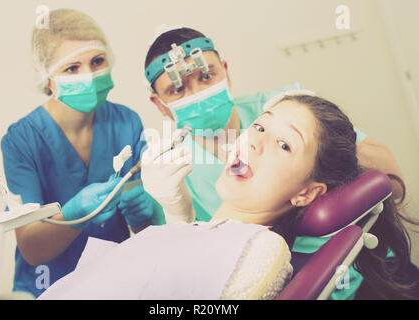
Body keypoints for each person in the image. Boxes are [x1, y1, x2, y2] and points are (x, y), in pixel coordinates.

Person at [142, 27, 408, 299]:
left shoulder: (281, 105)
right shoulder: (170, 171)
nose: (198, 93)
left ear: (226, 72)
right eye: (258, 127)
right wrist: (176, 215)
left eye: (207, 76)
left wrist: (326, 139)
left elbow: (392, 182)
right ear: (160, 105)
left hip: (368, 278)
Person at [0, 8, 157, 298]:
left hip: (116, 281)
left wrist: (147, 211)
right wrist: (76, 213)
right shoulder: (21, 140)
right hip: (45, 286)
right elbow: (32, 249)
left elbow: (144, 229)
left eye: (97, 61)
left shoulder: (127, 122)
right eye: (72, 68)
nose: (89, 75)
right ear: (46, 78)